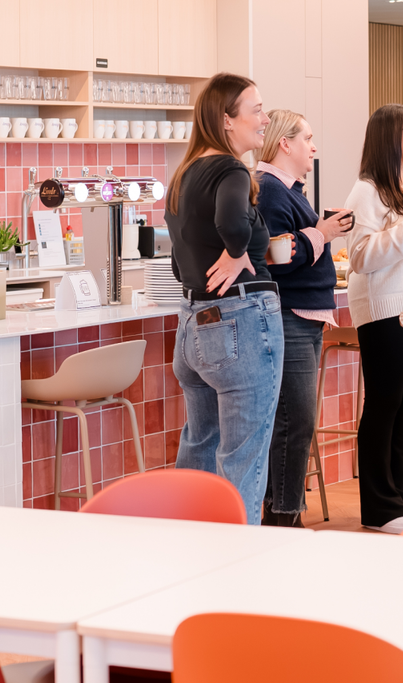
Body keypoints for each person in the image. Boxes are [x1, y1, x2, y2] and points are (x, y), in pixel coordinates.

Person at [166, 72, 284, 525]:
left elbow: (178, 263)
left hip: (193, 327)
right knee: (243, 458)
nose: (265, 118)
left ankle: (189, 549)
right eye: (256, 110)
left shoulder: (185, 173)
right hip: (239, 325)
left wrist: (229, 255)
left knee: (199, 446)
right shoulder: (231, 169)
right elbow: (233, 223)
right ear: (226, 121)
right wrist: (237, 251)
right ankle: (236, 565)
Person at [253, 109, 353, 528]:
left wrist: (321, 230)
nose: (314, 148)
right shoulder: (272, 191)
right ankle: (284, 518)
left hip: (303, 315)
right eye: (308, 138)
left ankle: (283, 511)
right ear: (285, 144)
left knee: (293, 422)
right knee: (296, 422)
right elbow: (276, 259)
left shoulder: (286, 189)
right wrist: (323, 233)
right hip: (289, 315)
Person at [342, 104, 403, 534]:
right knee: (383, 407)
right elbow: (360, 256)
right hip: (383, 313)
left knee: (400, 409)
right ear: (387, 137)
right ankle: (380, 507)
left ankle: (402, 497)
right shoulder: (367, 190)